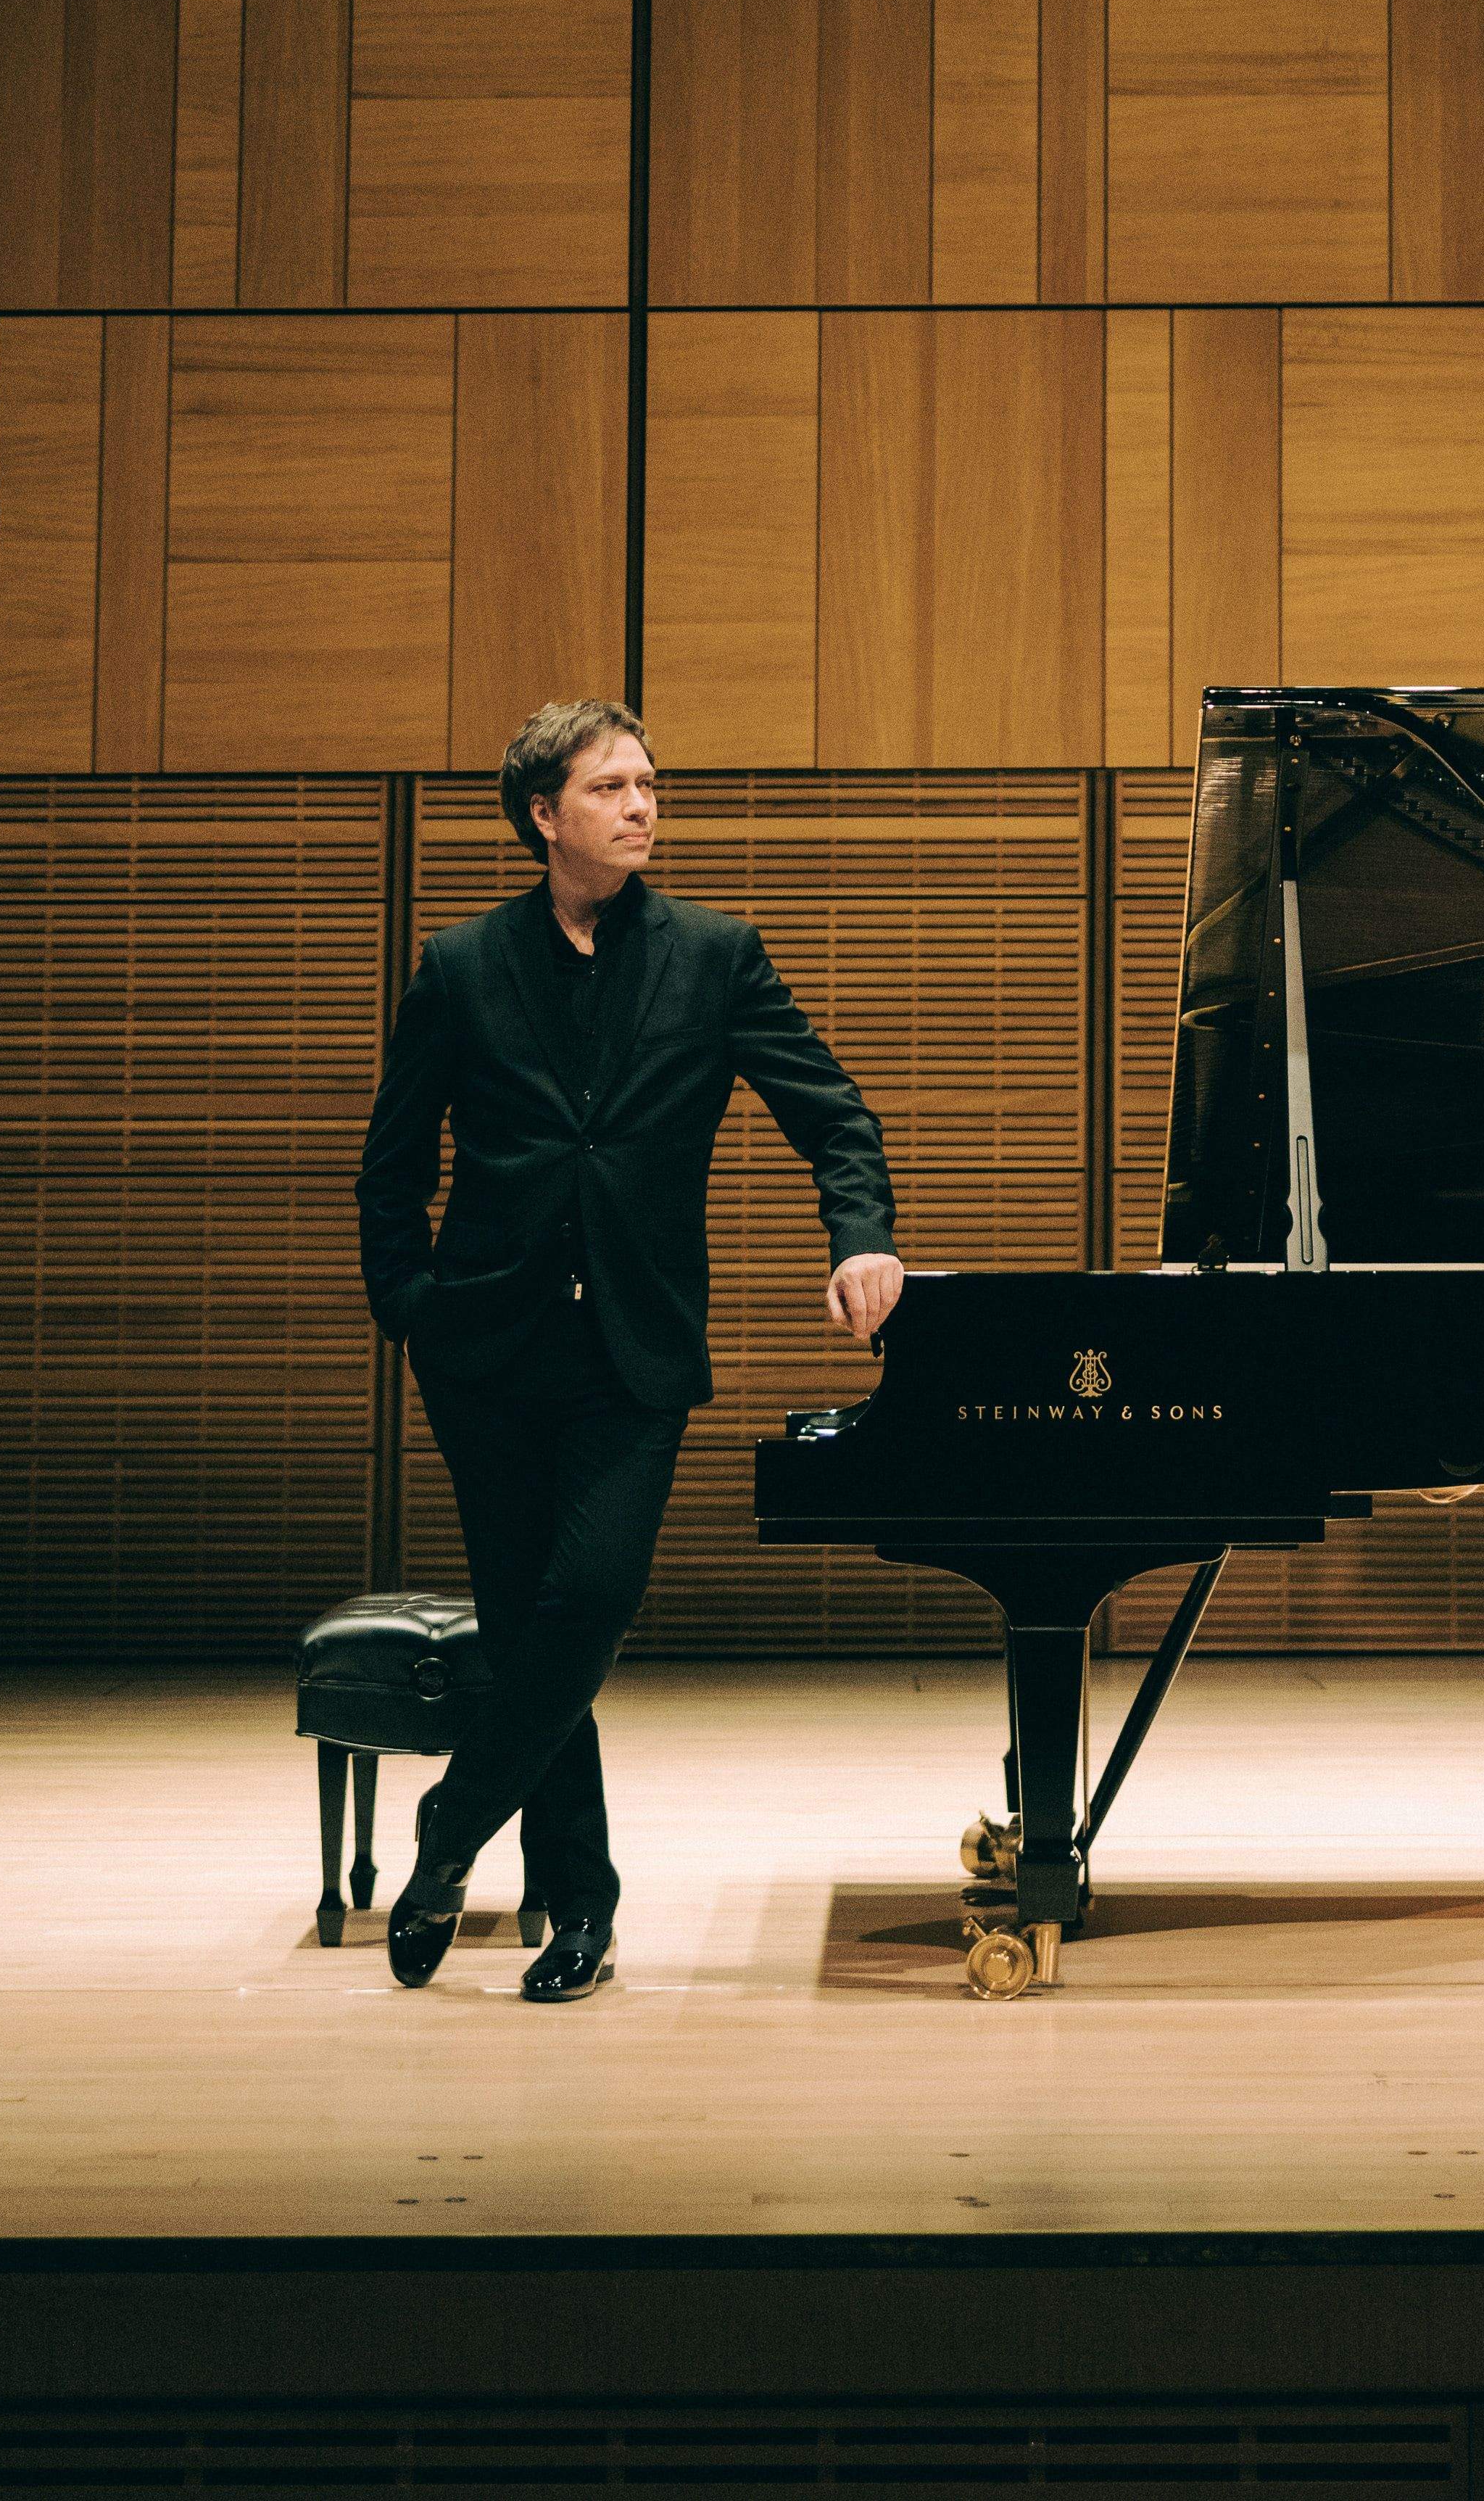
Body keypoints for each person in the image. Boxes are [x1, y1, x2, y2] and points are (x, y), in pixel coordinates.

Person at [354, 698, 903, 2001]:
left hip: (634, 1350)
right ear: (545, 816)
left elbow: (834, 1115)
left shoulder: (715, 957)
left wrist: (859, 1237)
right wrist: (410, 1304)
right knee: (531, 1623)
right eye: (613, 788)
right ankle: (583, 1912)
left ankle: (446, 1836)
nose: (644, 806)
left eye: (651, 784)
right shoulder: (463, 964)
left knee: (588, 1601)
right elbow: (391, 1163)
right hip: (485, 1346)